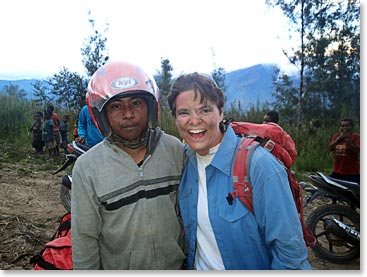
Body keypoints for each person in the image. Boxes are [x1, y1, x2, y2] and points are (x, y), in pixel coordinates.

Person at [167, 72, 311, 270]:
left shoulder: (259, 165)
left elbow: (291, 255)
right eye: (184, 112)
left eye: (205, 110)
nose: (194, 120)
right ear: (175, 117)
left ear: (221, 113)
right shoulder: (184, 160)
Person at [71, 61, 186, 270]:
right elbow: (84, 239)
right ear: (101, 114)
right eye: (116, 106)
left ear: (150, 107)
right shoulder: (87, 168)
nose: (128, 114)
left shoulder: (174, 150)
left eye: (135, 103)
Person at [328, 118, 360, 184]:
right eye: (342, 126)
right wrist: (338, 140)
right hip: (337, 170)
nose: (345, 128)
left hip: (352, 172)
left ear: (351, 126)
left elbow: (357, 150)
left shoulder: (356, 137)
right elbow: (330, 148)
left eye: (347, 126)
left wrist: (348, 142)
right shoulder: (337, 136)